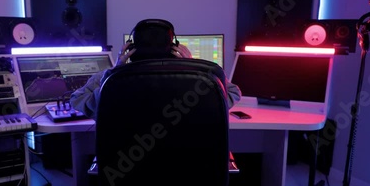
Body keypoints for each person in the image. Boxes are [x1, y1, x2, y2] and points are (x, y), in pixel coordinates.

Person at [70, 41, 242, 119]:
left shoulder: (115, 83)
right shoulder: (198, 84)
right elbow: (233, 92)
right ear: (175, 50)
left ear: (132, 50)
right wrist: (194, 66)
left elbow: (78, 99)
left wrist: (115, 70)